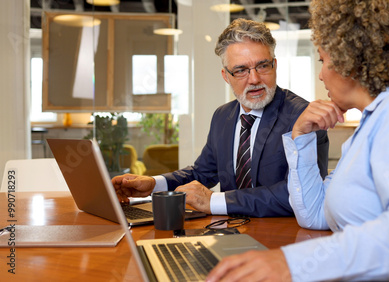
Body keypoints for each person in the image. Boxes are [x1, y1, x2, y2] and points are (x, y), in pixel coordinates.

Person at [207, 0, 389, 281]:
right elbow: (315, 215)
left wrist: (291, 263)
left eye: (322, 60)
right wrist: (301, 138)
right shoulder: (370, 129)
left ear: (351, 58)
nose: (320, 75)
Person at [112, 18, 329, 217]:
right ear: (226, 76)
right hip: (229, 233)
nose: (254, 79)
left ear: (275, 64)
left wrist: (213, 201)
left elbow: (300, 194)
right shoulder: (223, 115)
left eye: (262, 66)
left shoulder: (303, 117)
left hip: (281, 239)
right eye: (241, 70)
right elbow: (203, 172)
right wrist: (154, 184)